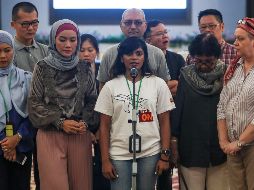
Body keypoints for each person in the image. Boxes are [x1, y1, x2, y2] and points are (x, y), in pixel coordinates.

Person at [95, 37, 175, 190]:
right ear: (121, 58)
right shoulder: (110, 86)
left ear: (145, 57)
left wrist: (165, 156)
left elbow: (165, 121)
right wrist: (105, 160)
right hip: (119, 153)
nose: (134, 58)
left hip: (150, 152)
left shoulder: (158, 83)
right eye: (128, 54)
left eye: (138, 53)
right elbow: (104, 126)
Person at [28, 19, 98, 190]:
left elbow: (92, 100)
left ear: (78, 41)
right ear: (53, 40)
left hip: (79, 134)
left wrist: (85, 122)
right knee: (55, 186)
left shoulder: (84, 67)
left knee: (81, 185)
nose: (68, 45)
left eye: (73, 40)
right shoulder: (42, 67)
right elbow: (34, 103)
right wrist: (60, 122)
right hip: (50, 134)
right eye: (62, 39)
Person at [173, 33, 228, 190]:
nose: (203, 65)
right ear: (193, 56)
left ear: (217, 57)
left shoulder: (227, 74)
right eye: (198, 60)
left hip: (220, 147)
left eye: (209, 61)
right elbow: (178, 111)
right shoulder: (185, 75)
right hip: (191, 147)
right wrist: (173, 141)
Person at [144, 19, 185, 190]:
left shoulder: (177, 59)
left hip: (171, 119)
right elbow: (147, 89)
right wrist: (167, 86)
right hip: (147, 120)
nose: (165, 36)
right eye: (159, 34)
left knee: (166, 169)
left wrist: (160, 87)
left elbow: (181, 88)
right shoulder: (142, 58)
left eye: (165, 32)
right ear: (148, 39)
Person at [11, 3, 49, 189]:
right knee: (20, 175)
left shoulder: (45, 51)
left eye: (34, 22)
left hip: (43, 121)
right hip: (19, 123)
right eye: (25, 24)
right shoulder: (7, 53)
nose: (30, 28)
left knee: (45, 172)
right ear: (13, 25)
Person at [217, 17, 254, 190]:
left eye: (241, 39)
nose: (235, 43)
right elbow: (222, 106)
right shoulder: (234, 68)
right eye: (235, 39)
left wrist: (239, 142)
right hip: (232, 149)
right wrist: (224, 142)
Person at [97, 8, 172, 91]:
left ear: (145, 26)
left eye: (138, 22)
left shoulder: (157, 53)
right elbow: (102, 88)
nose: (133, 27)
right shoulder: (109, 54)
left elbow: (164, 88)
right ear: (121, 26)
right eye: (128, 23)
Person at [0, 30, 34, 190]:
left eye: (7, 50)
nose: (3, 56)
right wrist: (6, 146)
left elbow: (34, 114)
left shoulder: (26, 78)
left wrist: (17, 138)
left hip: (21, 147)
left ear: (13, 50)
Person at [79, 33, 111, 190]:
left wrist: (100, 129)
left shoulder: (103, 73)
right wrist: (87, 130)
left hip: (103, 129)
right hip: (79, 129)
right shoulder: (72, 74)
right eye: (82, 50)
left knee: (102, 169)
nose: (86, 54)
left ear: (97, 52)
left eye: (90, 50)